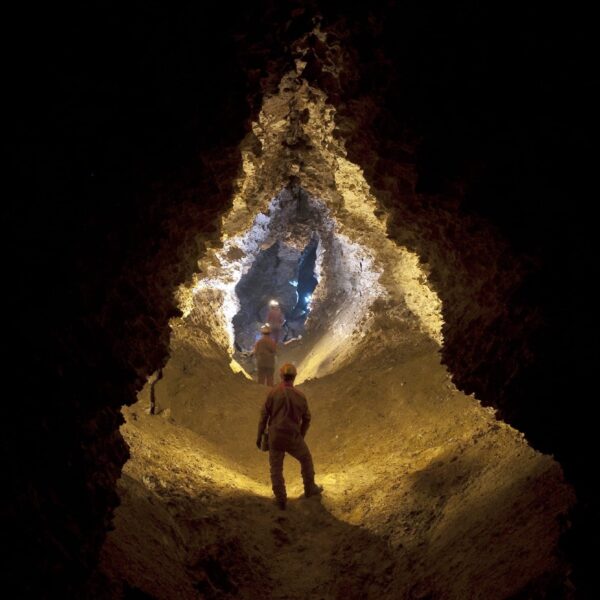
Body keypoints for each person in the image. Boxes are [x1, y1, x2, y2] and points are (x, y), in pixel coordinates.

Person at [256, 363, 323, 510]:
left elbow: (263, 417)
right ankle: (309, 488)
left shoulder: (273, 394)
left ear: (281, 376)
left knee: (276, 468)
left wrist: (259, 435)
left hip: (275, 436)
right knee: (306, 459)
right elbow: (307, 418)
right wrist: (301, 434)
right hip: (293, 435)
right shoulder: (300, 396)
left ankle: (281, 500)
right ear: (294, 377)